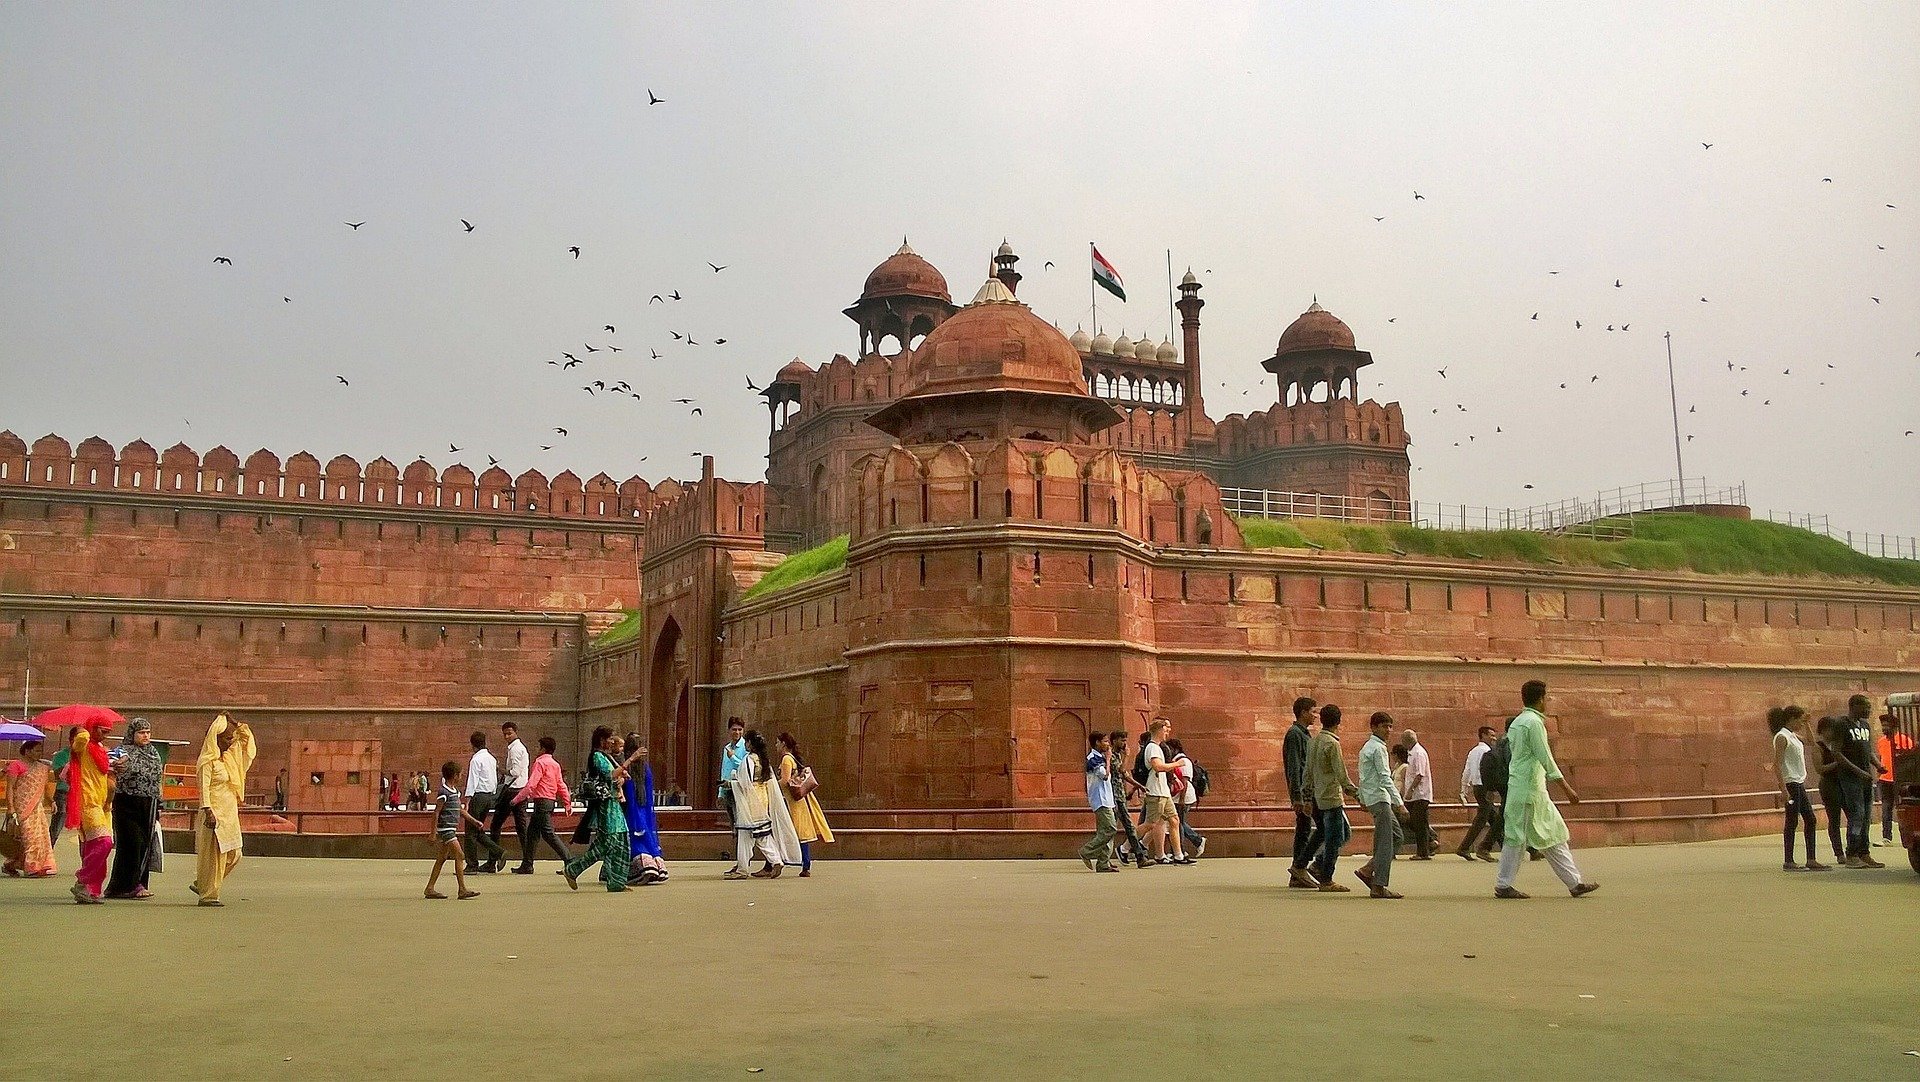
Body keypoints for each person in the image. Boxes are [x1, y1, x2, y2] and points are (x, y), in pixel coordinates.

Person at [1494, 681, 1598, 899]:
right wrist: (1567, 788)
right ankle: (1504, 884)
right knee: (1531, 836)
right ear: (1541, 699)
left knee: (1546, 834)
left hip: (1522, 787)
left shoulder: (1518, 723)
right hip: (1530, 791)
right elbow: (1545, 758)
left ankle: (1573, 882)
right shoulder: (1533, 723)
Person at [191, 712, 254, 907]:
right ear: (215, 739)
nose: (230, 742)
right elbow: (203, 788)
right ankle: (209, 895)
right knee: (216, 856)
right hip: (214, 812)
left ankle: (202, 883)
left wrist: (233, 722)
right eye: (226, 738)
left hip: (229, 813)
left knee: (235, 854)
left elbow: (247, 741)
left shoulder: (229, 760)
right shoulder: (207, 762)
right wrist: (208, 811)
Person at [725, 730, 802, 880]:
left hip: (750, 800)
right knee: (762, 835)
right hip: (762, 799)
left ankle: (742, 869)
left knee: (745, 836)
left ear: (750, 744)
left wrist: (730, 783)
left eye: (746, 741)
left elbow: (745, 782)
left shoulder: (749, 760)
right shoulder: (763, 760)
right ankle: (776, 860)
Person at [560, 727, 629, 892]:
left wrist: (621, 780)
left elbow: (616, 777)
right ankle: (574, 869)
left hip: (614, 803)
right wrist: (630, 759)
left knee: (621, 840)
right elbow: (609, 775)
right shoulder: (597, 756)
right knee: (608, 843)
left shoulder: (608, 757)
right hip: (605, 806)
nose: (612, 741)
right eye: (610, 738)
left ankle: (617, 881)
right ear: (602, 740)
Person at [105, 717, 163, 899]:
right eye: (141, 733)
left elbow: (157, 777)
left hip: (149, 803)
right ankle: (122, 886)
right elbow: (106, 764)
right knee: (131, 843)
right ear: (132, 734)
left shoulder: (153, 752)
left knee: (144, 844)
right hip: (127, 802)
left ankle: (137, 884)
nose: (145, 736)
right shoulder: (122, 751)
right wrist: (115, 766)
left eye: (148, 732)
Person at [1355, 712, 1409, 898]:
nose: (1388, 730)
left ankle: (1368, 870)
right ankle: (1378, 885)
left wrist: (1362, 797)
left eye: (1390, 726)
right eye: (1384, 726)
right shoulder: (1378, 749)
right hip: (1380, 798)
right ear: (1374, 727)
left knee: (1395, 836)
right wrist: (1400, 803)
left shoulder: (1367, 747)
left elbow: (1363, 775)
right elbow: (1385, 778)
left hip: (1374, 798)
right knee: (1386, 842)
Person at [1307, 704, 1359, 893]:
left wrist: (1306, 795)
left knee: (1341, 833)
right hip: (1332, 797)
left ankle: (1318, 865)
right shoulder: (1332, 744)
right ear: (1339, 721)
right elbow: (1341, 774)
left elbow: (1308, 772)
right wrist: (1356, 793)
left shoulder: (1313, 742)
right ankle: (1326, 877)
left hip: (1318, 795)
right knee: (1334, 838)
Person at [66, 715, 116, 905]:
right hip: (87, 802)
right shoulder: (83, 745)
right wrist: (84, 729)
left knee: (95, 848)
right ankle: (83, 880)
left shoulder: (100, 749)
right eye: (102, 731)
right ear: (93, 729)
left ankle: (92, 890)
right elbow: (79, 740)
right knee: (104, 843)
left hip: (103, 804)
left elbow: (103, 773)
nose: (104, 736)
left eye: (108, 733)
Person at [1770, 707, 1826, 872]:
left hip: (1798, 782)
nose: (1801, 724)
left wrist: (1807, 723)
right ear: (1791, 719)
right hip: (1791, 783)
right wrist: (1783, 790)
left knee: (1810, 819)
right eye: (1800, 720)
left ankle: (1811, 859)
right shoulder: (1782, 737)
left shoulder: (1792, 735)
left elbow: (1811, 742)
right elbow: (1777, 765)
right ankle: (1789, 860)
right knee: (1792, 821)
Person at [509, 736, 571, 873]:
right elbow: (561, 785)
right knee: (532, 834)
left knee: (548, 834)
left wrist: (516, 799)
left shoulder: (540, 763)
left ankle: (569, 861)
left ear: (543, 749)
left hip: (541, 801)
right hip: (549, 801)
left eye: (538, 747)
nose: (536, 749)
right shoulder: (555, 764)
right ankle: (527, 864)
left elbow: (531, 785)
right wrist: (567, 802)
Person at [777, 732, 833, 877]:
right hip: (799, 800)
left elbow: (785, 780)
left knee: (794, 832)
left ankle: (780, 862)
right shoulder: (792, 758)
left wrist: (770, 786)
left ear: (783, 744)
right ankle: (805, 864)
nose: (776, 745)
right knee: (801, 833)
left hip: (792, 801)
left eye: (777, 742)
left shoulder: (786, 760)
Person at [424, 761, 483, 900]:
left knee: (441, 859)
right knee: (460, 855)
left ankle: (429, 888)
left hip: (450, 828)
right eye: (460, 774)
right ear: (455, 776)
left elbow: (460, 810)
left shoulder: (454, 791)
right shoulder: (444, 792)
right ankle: (462, 889)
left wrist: (473, 821)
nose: (461, 777)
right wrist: (433, 833)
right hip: (446, 829)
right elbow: (436, 812)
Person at [1836, 696, 1883, 868]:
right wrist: (1858, 771)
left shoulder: (1865, 726)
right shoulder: (1842, 725)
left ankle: (1864, 853)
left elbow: (1868, 750)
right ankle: (1851, 854)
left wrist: (1878, 765)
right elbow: (1837, 753)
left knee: (1866, 817)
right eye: (1866, 706)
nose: (1869, 710)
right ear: (1854, 706)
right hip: (1850, 778)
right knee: (1857, 815)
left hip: (1865, 778)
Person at [618, 733, 669, 885]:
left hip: (632, 809)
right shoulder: (639, 765)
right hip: (640, 809)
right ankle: (651, 865)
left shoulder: (629, 764)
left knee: (636, 838)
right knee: (644, 835)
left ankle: (643, 867)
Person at [3, 737, 57, 877]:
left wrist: (51, 801)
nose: (39, 753)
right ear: (27, 751)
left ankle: (28, 865)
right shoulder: (16, 766)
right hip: (21, 807)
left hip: (37, 809)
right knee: (27, 836)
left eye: (40, 751)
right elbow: (10, 788)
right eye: (37, 750)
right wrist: (11, 808)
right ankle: (30, 866)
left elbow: (44, 788)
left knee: (39, 837)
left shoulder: (42, 767)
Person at [1283, 696, 1322, 888]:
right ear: (1304, 712)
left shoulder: (1302, 734)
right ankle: (1299, 868)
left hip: (1308, 790)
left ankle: (1298, 871)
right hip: (1304, 792)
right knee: (1309, 829)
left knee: (1305, 829)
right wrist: (1297, 797)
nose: (1316, 716)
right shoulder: (1295, 734)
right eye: (1313, 712)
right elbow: (1294, 766)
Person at [1139, 719, 1188, 866]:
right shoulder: (1152, 748)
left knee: (1174, 820)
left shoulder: (1158, 747)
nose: (1167, 732)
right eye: (1166, 729)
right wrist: (1177, 764)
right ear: (1159, 730)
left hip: (1163, 791)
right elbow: (1158, 766)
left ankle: (1178, 855)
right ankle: (1126, 847)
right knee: (1150, 824)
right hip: (1155, 791)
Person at [486, 721, 530, 872]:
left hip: (513, 790)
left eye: (509, 733)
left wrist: (500, 770)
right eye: (505, 734)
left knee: (496, 824)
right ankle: (527, 863)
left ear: (515, 732)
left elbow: (515, 772)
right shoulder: (518, 748)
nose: (506, 736)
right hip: (521, 790)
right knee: (521, 827)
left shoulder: (516, 749)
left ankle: (493, 860)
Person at [1812, 717, 1856, 866]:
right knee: (1835, 819)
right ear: (1823, 731)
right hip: (1829, 785)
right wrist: (1838, 762)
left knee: (1853, 816)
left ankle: (1854, 849)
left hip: (1844, 783)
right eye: (1831, 730)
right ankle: (1838, 853)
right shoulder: (1819, 747)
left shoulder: (1838, 745)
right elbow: (1820, 769)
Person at [462, 731, 505, 875]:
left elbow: (472, 780)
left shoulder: (476, 759)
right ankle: (498, 852)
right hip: (489, 796)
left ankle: (472, 864)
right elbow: (494, 779)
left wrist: (467, 800)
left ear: (472, 744)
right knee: (478, 830)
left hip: (478, 796)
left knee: (470, 832)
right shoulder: (491, 759)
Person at [1457, 726, 1500, 862]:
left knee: (1494, 819)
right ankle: (1464, 847)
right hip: (1485, 787)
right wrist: (1492, 789)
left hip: (1477, 787)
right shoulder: (1488, 752)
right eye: (1491, 735)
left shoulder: (1473, 751)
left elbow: (1467, 771)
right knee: (1482, 819)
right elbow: (1490, 772)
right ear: (1482, 735)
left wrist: (1463, 790)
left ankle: (1505, 846)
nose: (1494, 738)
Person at [1108, 731, 1147, 869]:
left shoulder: (1118, 754)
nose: (1124, 743)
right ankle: (1103, 857)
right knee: (1110, 828)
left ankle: (1139, 856)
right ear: (1114, 741)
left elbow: (1125, 775)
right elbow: (1121, 770)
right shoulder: (1110, 755)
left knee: (1129, 827)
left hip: (1120, 795)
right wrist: (1127, 757)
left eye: (1125, 740)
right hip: (1111, 796)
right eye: (1122, 740)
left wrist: (1139, 786)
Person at [1079, 731, 1118, 873]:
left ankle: (1103, 863)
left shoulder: (1099, 757)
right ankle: (1087, 851)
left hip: (1107, 798)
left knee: (1105, 831)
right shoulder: (1093, 758)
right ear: (1097, 743)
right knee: (1110, 829)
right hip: (1100, 799)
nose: (1108, 744)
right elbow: (1105, 776)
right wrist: (1108, 760)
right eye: (1105, 741)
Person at [1877, 711, 1912, 846]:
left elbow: (1910, 760)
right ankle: (1887, 837)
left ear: (1894, 727)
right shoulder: (1881, 741)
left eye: (1887, 725)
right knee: (1886, 809)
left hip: (1900, 781)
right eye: (1883, 725)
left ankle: (1906, 836)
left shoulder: (1905, 740)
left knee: (1903, 809)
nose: (1884, 728)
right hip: (1885, 780)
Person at [1167, 738, 1205, 859]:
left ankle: (1183, 849)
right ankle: (1181, 849)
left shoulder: (1184, 761)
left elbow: (1185, 781)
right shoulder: (1177, 760)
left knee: (1178, 824)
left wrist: (1182, 799)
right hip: (1178, 797)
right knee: (1179, 823)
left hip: (1183, 798)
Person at [1398, 729, 1434, 860]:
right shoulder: (1413, 753)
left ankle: (1423, 851)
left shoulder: (1418, 753)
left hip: (1420, 794)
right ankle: (1429, 844)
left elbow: (1419, 775)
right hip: (1415, 795)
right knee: (1417, 822)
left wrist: (1410, 790)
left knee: (1417, 822)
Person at [718, 717, 748, 871]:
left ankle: (742, 862)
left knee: (741, 825)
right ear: (729, 731)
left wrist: (733, 757)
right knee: (734, 827)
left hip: (740, 789)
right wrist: (720, 792)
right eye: (734, 729)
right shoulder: (727, 748)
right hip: (728, 789)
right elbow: (724, 770)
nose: (737, 732)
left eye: (739, 729)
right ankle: (739, 861)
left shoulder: (745, 747)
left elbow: (745, 766)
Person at [48, 729, 73, 847]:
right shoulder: (61, 755)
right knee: (57, 824)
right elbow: (58, 775)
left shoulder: (87, 755)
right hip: (63, 793)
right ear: (71, 740)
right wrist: (69, 766)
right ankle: (47, 851)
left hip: (82, 793)